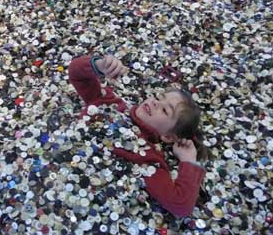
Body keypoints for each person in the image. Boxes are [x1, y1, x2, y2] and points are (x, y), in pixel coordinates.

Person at [68, 54, 208, 218]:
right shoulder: (110, 101)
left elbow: (181, 207)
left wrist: (188, 161)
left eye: (165, 110)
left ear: (168, 137)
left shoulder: (148, 159)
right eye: (158, 97)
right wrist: (99, 65)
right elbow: (76, 73)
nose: (156, 102)